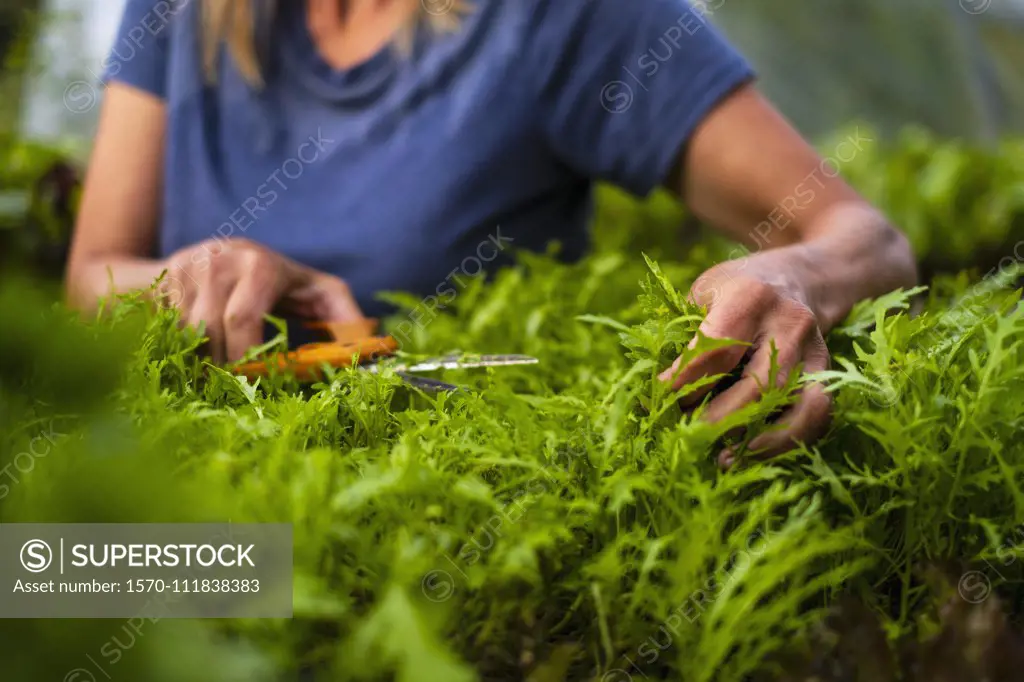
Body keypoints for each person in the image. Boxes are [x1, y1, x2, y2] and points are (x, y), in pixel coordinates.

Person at [65, 0, 917, 467]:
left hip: (412, 528)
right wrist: (185, 276)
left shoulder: (570, 20)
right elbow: (90, 275)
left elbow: (859, 234)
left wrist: (795, 278)